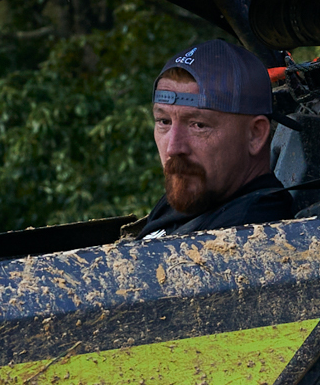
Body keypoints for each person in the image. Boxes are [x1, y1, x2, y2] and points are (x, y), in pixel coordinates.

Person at [127, 39, 303, 238]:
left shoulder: (249, 234)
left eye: (199, 125)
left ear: (255, 134)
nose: (173, 148)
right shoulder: (195, 192)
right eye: (164, 121)